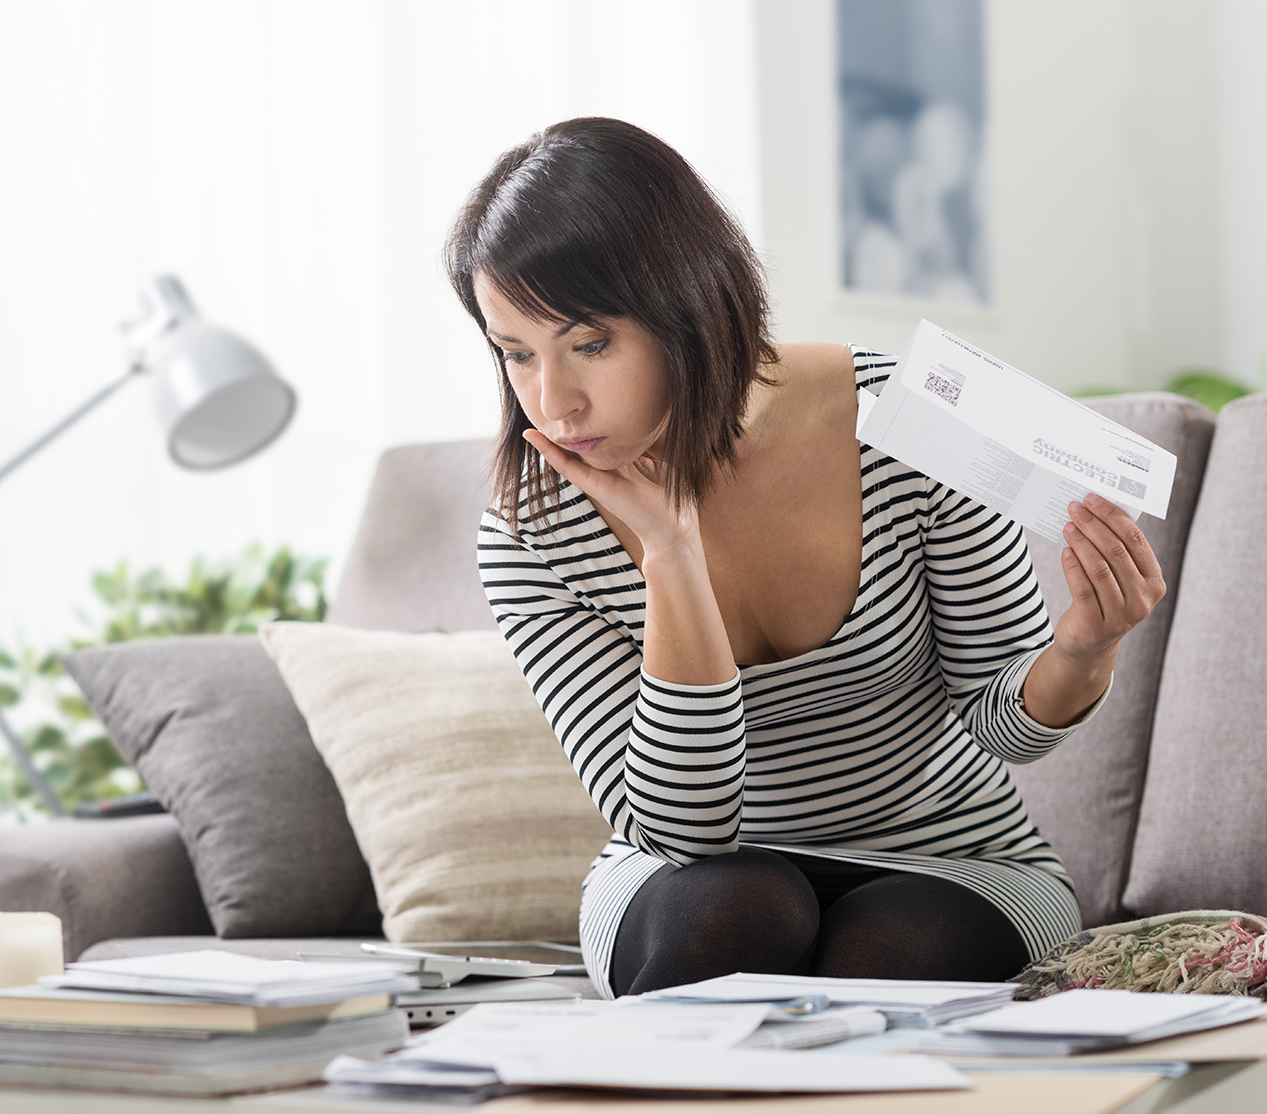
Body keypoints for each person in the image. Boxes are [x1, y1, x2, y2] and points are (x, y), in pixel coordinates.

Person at [445, 117, 1166, 999]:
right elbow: (683, 829)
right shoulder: (530, 534)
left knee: (892, 958)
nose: (553, 404)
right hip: (684, 875)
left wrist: (1083, 650)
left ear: (686, 301)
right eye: (516, 354)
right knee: (736, 912)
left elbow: (998, 724)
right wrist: (673, 554)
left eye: (590, 344)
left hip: (956, 860)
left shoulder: (900, 421)